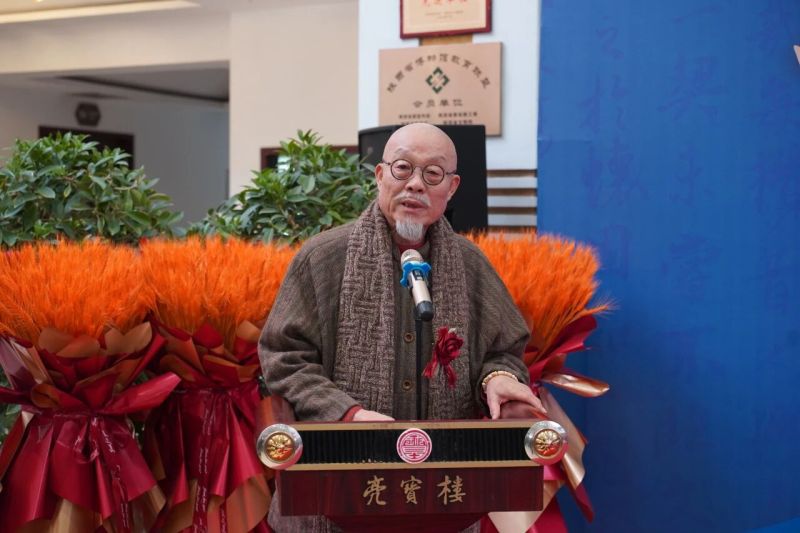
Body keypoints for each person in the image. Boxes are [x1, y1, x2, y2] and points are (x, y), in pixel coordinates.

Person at [258, 122, 545, 532]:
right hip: (334, 489)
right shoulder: (323, 258)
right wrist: (347, 414)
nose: (415, 184)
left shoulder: (470, 265)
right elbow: (284, 358)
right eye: (403, 168)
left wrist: (497, 377)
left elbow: (503, 351)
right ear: (380, 175)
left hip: (443, 498)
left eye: (432, 174)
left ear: (452, 188)